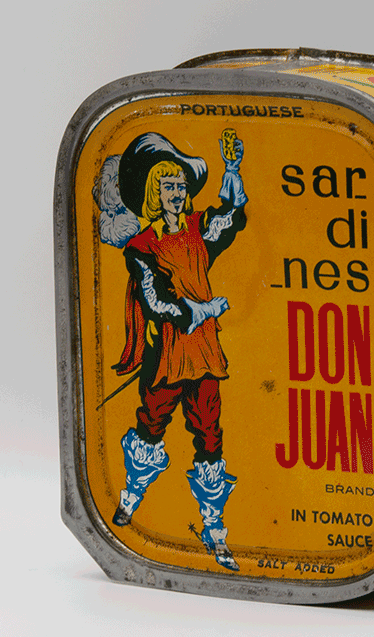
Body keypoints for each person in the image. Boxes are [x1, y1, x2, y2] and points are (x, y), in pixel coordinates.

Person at [109, 131, 247, 571]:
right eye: (168, 185)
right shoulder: (141, 247)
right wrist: (202, 309)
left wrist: (232, 169)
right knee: (151, 423)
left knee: (209, 434)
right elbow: (156, 300)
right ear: (154, 191)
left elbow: (230, 217)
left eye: (182, 185)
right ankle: (131, 496)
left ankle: (214, 527)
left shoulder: (197, 229)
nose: (177, 192)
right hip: (168, 351)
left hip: (203, 352)